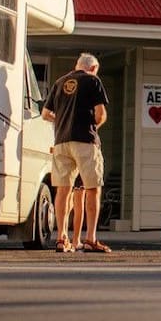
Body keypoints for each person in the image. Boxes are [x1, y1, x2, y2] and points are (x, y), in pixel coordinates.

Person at [42, 52, 112, 253]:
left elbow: (46, 114)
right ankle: (90, 238)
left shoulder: (59, 82)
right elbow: (100, 114)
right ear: (92, 69)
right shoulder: (93, 80)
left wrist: (64, 119)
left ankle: (62, 238)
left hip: (62, 141)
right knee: (93, 188)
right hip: (85, 141)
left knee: (63, 190)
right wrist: (93, 126)